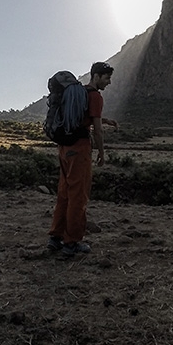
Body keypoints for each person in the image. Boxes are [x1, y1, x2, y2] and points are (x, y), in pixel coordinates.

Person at [48, 61, 118, 256]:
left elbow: (84, 117)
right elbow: (96, 131)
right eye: (107, 78)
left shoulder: (79, 93)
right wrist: (102, 153)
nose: (109, 82)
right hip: (79, 150)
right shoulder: (95, 96)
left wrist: (105, 120)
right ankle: (71, 243)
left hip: (64, 148)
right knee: (78, 196)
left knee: (64, 193)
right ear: (96, 76)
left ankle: (55, 237)